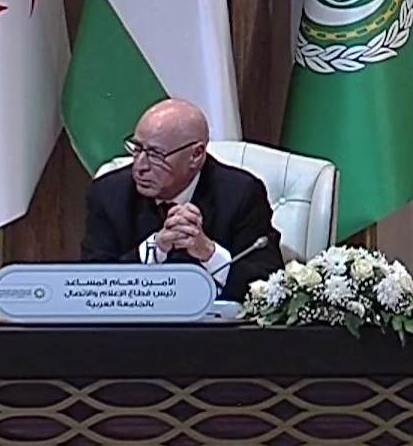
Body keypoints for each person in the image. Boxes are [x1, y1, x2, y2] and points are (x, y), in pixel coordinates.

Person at [80, 98, 284, 301]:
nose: (140, 166)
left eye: (155, 154)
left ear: (196, 155)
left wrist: (209, 253)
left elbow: (268, 284)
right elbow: (92, 286)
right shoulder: (109, 194)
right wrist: (155, 249)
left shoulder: (241, 194)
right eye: (137, 148)